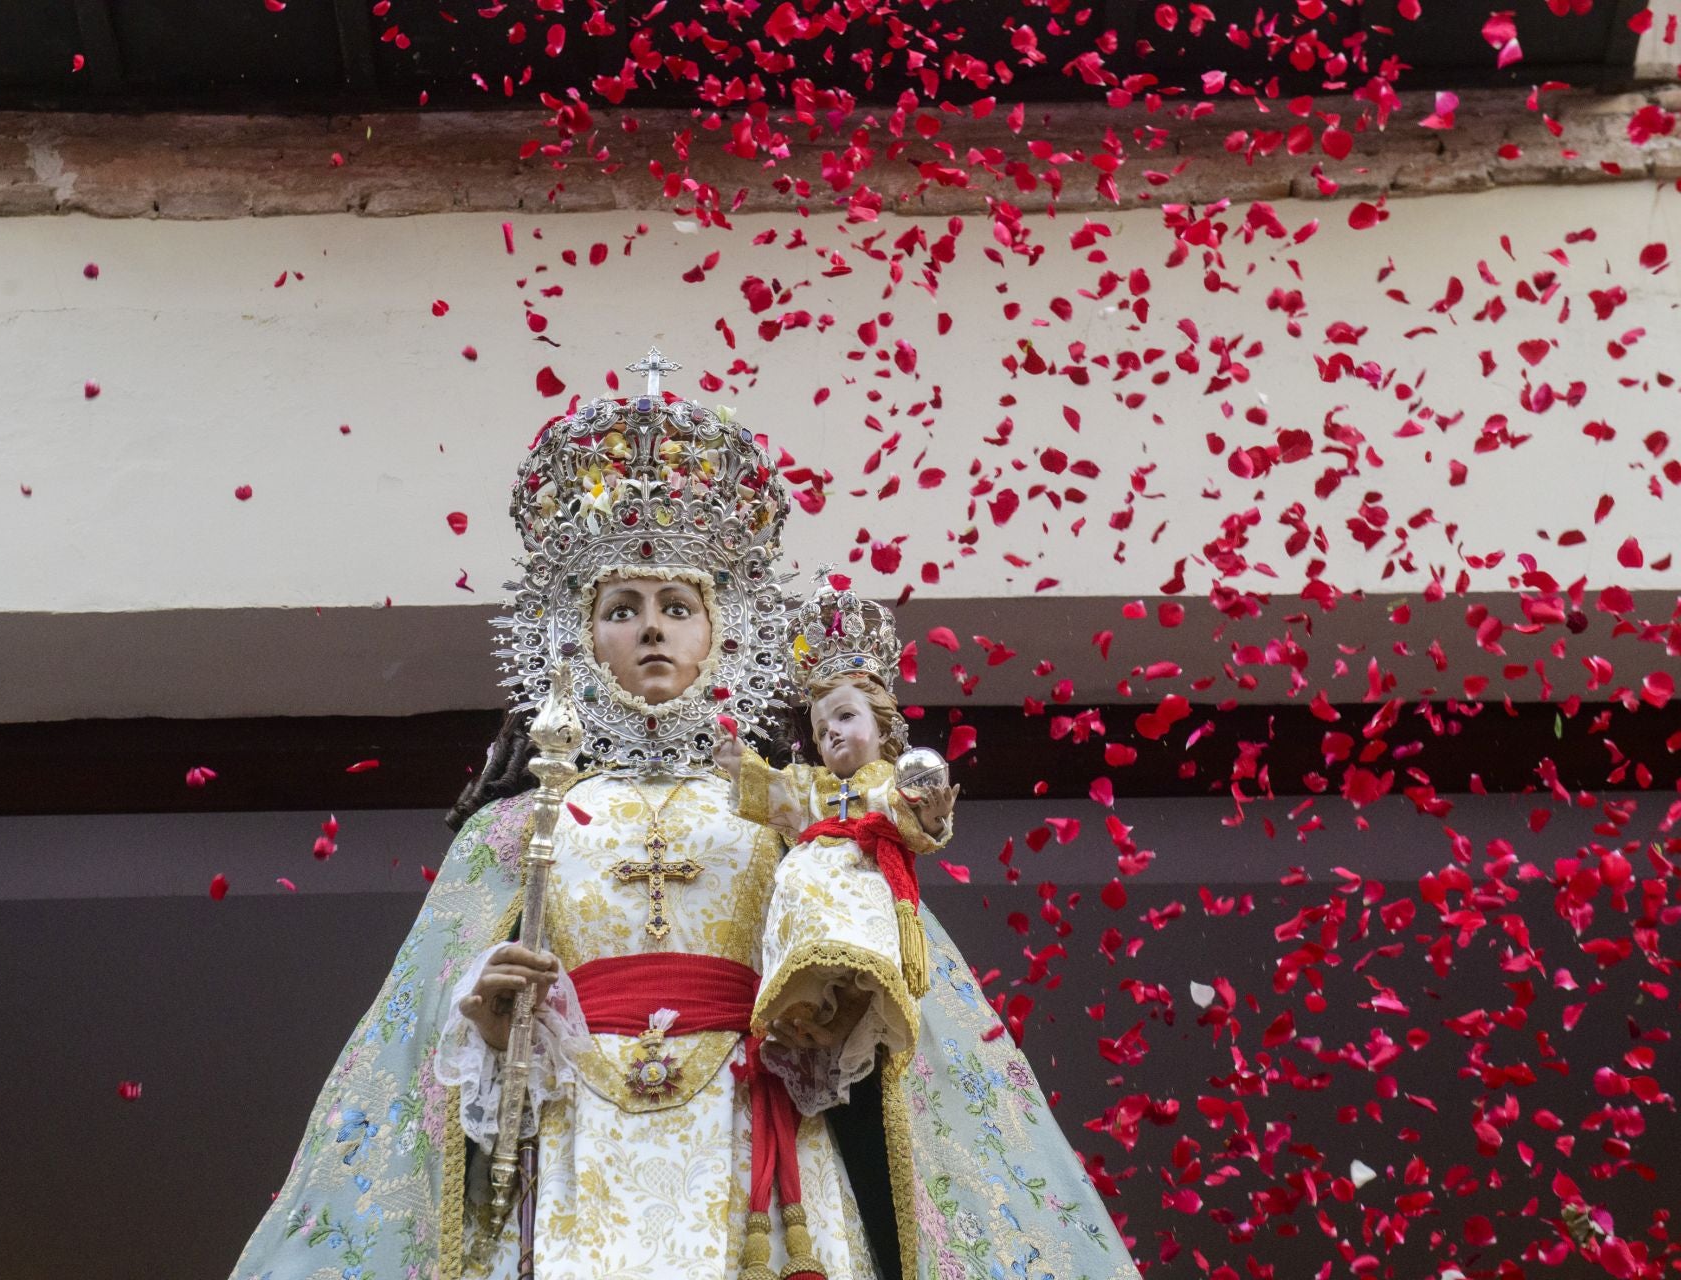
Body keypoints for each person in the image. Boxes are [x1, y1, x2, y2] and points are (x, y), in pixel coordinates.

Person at [229, 351, 1144, 1280]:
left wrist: (834, 997)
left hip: (754, 1143)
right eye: (623, 607)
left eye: (676, 605)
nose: (654, 627)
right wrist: (490, 1019)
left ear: (724, 632)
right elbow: (426, 1061)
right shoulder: (519, 828)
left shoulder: (787, 810)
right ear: (577, 637)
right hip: (574, 1150)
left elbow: (880, 975)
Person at [714, 582, 959, 1115]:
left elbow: (914, 827)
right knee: (805, 941)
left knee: (860, 949)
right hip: (808, 886)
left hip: (863, 880)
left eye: (846, 718)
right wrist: (740, 763)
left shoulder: (890, 781)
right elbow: (773, 792)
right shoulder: (812, 786)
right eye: (822, 730)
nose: (833, 736)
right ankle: (807, 1015)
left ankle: (846, 1016)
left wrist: (934, 817)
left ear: (882, 724)